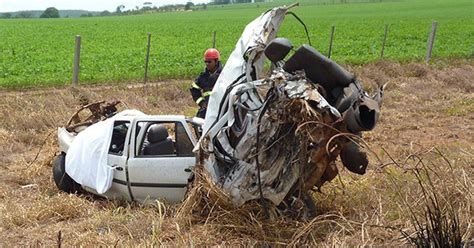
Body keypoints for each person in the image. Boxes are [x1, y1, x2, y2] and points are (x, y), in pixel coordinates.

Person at [190, 48, 223, 118]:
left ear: (216, 61)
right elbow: (193, 88)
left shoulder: (224, 75)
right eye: (205, 62)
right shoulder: (203, 76)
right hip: (208, 109)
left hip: (222, 109)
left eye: (209, 62)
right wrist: (202, 103)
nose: (207, 64)